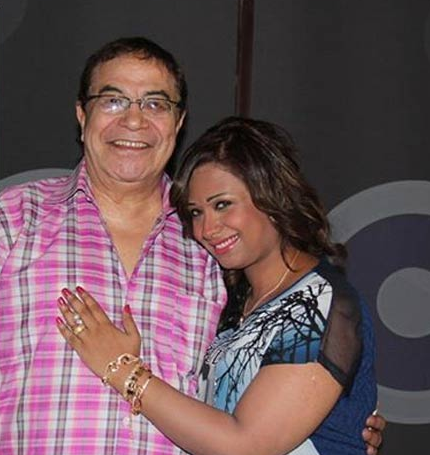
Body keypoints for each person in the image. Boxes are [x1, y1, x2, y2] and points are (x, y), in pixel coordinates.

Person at [0, 37, 384, 454]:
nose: (134, 120)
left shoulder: (215, 254)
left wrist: (339, 422)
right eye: (113, 100)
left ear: (178, 121)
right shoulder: (14, 220)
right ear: (82, 114)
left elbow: (257, 426)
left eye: (155, 103)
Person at [57, 116, 380, 455]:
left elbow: (247, 446)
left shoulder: (316, 301)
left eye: (222, 204)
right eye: (196, 212)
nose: (206, 229)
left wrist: (123, 369)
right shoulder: (234, 300)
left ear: (272, 195)